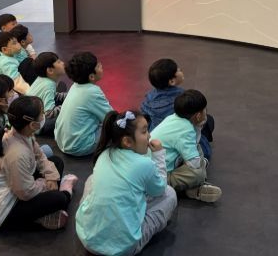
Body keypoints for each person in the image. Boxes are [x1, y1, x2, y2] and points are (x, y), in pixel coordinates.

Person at [76, 110, 177, 255]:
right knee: (170, 194)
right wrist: (159, 155)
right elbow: (160, 190)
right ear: (127, 141)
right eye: (144, 132)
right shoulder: (145, 164)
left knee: (92, 179)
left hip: (87, 239)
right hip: (123, 249)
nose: (149, 136)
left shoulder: (104, 154)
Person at [0, 96, 78, 231]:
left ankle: (44, 213)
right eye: (42, 114)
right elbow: (25, 193)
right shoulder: (17, 153)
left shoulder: (23, 133)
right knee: (60, 199)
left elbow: (40, 155)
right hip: (3, 210)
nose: (44, 116)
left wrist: (51, 176)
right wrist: (45, 184)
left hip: (16, 188)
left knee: (56, 162)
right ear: (32, 125)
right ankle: (65, 189)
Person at [151, 89, 222, 202]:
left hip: (161, 165)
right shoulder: (186, 130)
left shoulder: (174, 118)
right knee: (197, 174)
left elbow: (194, 144)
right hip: (157, 177)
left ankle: (191, 189)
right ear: (198, 116)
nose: (206, 112)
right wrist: (201, 166)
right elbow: (194, 164)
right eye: (205, 110)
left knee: (197, 149)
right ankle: (189, 189)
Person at [141, 58, 214, 160]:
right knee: (208, 121)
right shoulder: (182, 97)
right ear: (172, 81)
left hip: (156, 140)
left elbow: (144, 116)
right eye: (178, 70)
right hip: (180, 135)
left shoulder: (149, 97)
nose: (181, 70)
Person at [54, 52, 113, 156]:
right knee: (116, 128)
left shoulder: (75, 85)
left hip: (61, 141)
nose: (101, 65)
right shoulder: (93, 92)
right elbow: (111, 117)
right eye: (98, 66)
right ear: (91, 76)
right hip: (78, 146)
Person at [27, 52, 68, 136]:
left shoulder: (42, 79)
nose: (63, 63)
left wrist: (69, 96)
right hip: (38, 125)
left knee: (62, 89)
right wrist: (67, 106)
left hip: (34, 115)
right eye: (59, 62)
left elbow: (53, 95)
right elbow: (49, 113)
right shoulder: (49, 85)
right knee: (68, 116)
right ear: (50, 70)